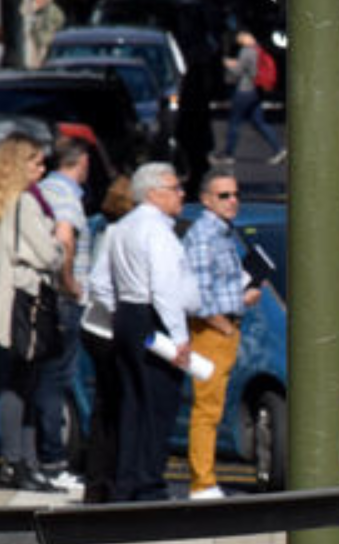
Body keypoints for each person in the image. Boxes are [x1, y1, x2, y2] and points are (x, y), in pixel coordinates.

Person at [88, 162, 199, 502]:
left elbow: (98, 282)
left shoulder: (120, 228)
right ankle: (149, 483)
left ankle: (127, 480)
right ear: (153, 193)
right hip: (153, 318)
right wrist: (179, 337)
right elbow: (165, 288)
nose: (181, 194)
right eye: (174, 187)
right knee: (158, 403)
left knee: (132, 402)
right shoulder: (157, 232)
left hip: (127, 316)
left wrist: (121, 310)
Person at [0, 133, 71, 493]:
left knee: (19, 382)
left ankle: (20, 460)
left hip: (15, 303)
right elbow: (48, 255)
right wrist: (62, 243)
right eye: (35, 161)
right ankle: (18, 461)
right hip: (26, 304)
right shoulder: (26, 203)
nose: (42, 167)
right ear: (19, 165)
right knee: (21, 384)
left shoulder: (10, 201)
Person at [180, 173, 259, 500]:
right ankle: (202, 482)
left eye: (235, 193)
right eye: (224, 195)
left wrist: (243, 298)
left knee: (214, 406)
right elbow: (196, 295)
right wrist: (225, 324)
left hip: (226, 326)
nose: (233, 200)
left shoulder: (223, 234)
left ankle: (206, 477)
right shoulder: (204, 236)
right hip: (211, 330)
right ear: (207, 200)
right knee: (207, 408)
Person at [33, 136, 91, 491]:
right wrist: (69, 283)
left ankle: (24, 455)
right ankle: (53, 460)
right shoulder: (68, 196)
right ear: (81, 162)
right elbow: (66, 238)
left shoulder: (41, 190)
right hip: (63, 300)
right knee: (57, 379)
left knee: (33, 378)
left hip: (39, 298)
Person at [78, 175, 136, 504]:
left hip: (103, 329)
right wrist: (121, 316)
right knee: (112, 407)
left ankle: (101, 482)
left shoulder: (111, 230)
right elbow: (99, 284)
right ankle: (103, 482)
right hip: (106, 332)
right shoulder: (117, 233)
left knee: (109, 408)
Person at [220, 32, 286, 165]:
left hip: (244, 90)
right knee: (259, 122)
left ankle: (228, 154)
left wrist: (229, 65)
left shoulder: (246, 52)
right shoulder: (258, 50)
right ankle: (279, 149)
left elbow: (238, 71)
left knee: (234, 122)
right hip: (256, 90)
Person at [24, 0, 63, 70]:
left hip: (45, 39)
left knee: (42, 56)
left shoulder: (52, 9)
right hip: (34, 38)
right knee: (33, 58)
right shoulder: (30, 7)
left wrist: (53, 29)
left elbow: (59, 20)